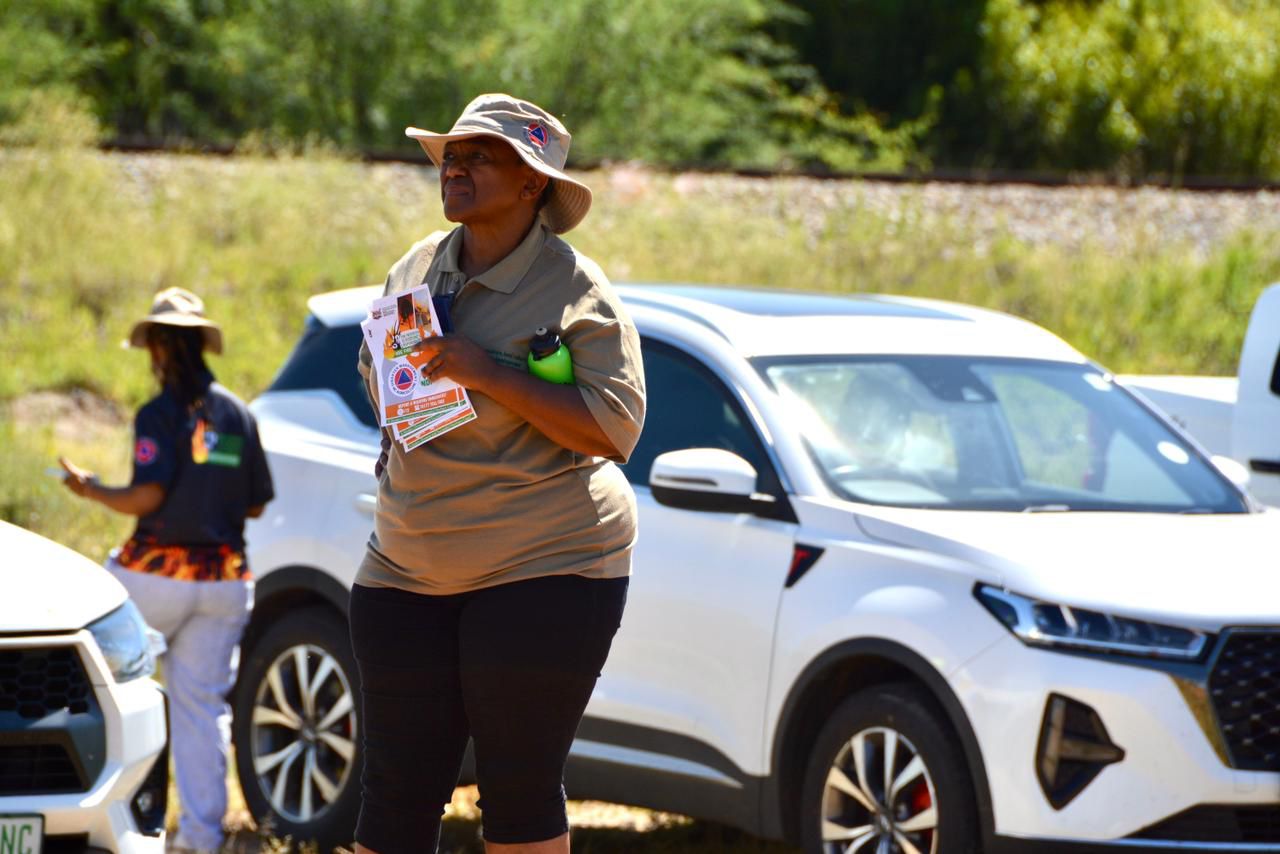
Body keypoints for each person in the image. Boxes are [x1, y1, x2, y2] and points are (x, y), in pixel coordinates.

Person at [351, 94, 646, 854]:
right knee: (392, 796)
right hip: (406, 563)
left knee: (516, 791)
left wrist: (486, 372)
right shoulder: (416, 267)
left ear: (531, 183)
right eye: (451, 155)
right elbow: (381, 379)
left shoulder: (575, 289)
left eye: (479, 156)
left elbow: (613, 429)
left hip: (544, 564)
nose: (455, 168)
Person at [60, 287, 274, 854]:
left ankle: (85, 813)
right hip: (224, 583)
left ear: (157, 347)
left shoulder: (157, 414)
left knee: (82, 668)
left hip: (155, 580)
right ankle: (201, 839)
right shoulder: (238, 413)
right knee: (202, 710)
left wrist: (91, 489)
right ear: (200, 345)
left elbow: (148, 495)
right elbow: (256, 504)